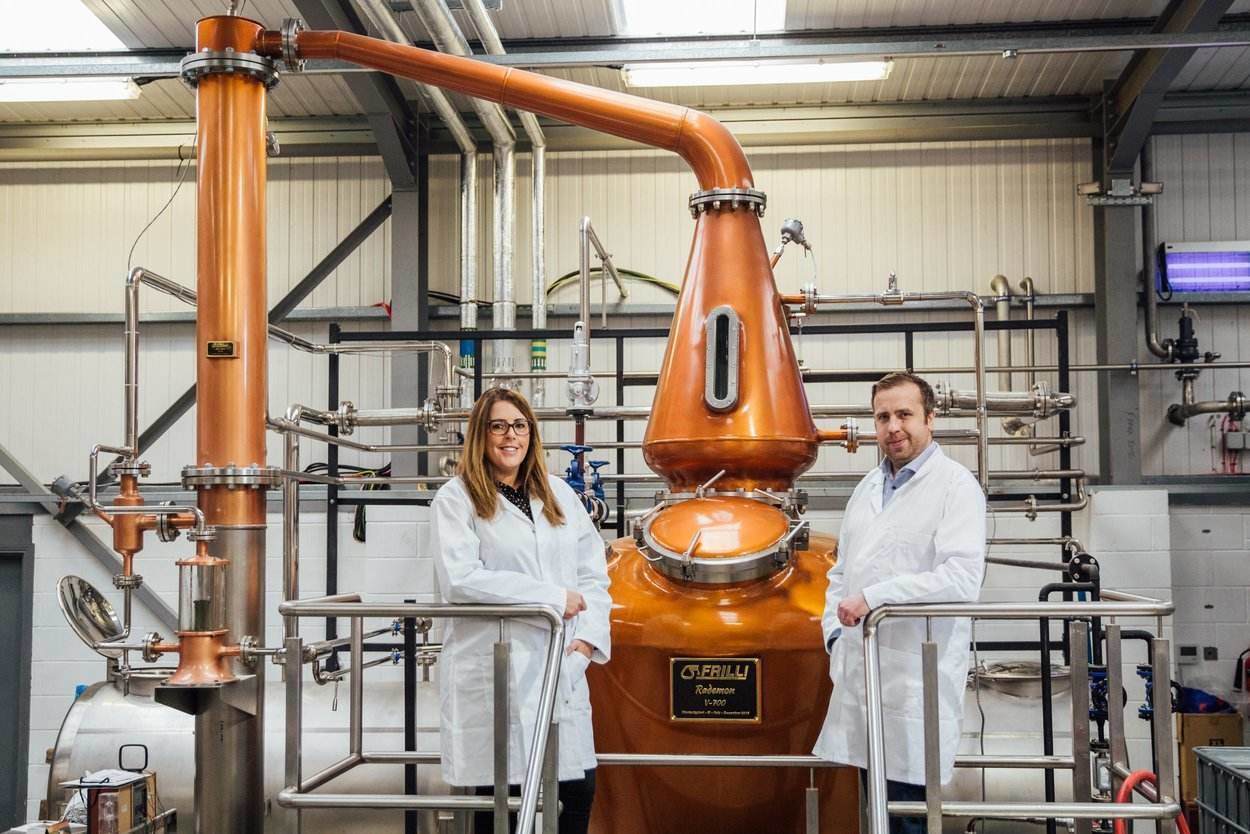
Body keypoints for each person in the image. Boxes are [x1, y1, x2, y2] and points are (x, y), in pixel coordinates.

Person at [430, 387, 611, 834]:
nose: (510, 435)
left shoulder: (559, 495)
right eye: (498, 426)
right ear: (480, 435)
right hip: (497, 674)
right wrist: (550, 598)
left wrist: (585, 645)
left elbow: (595, 577)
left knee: (577, 791)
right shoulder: (457, 499)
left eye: (519, 425)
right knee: (504, 807)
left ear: (531, 432)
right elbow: (461, 579)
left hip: (562, 669)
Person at [812, 372, 986, 834]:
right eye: (883, 417)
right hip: (862, 674)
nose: (893, 427)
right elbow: (840, 573)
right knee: (874, 815)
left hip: (915, 680)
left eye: (904, 414)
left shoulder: (955, 487)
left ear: (930, 418)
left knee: (907, 817)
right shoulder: (868, 488)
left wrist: (875, 599)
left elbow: (961, 578)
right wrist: (833, 634)